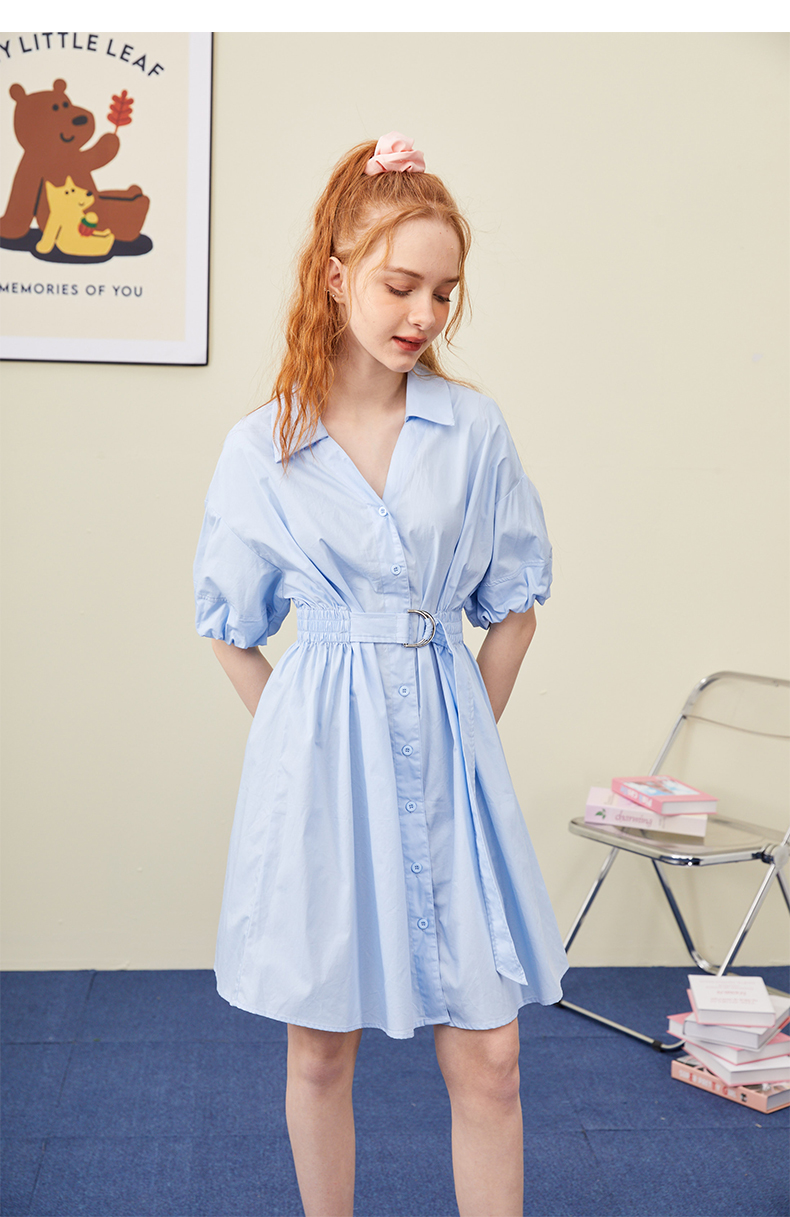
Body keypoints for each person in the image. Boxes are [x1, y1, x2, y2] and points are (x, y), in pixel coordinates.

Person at [194, 131, 568, 1217]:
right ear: (336, 274)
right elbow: (228, 623)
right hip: (320, 766)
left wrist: (468, 731)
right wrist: (293, 735)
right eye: (401, 285)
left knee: (491, 1054)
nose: (423, 315)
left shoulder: (473, 430)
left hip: (451, 753)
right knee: (321, 1046)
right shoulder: (262, 448)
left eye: (444, 293)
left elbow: (514, 606)